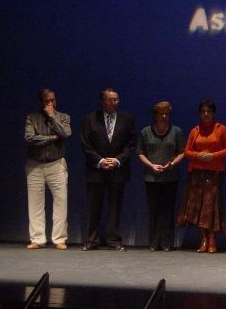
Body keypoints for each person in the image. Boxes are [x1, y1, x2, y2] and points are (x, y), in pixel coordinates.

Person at [81, 88, 137, 251]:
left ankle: (113, 240)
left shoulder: (127, 119)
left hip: (118, 170)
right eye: (110, 99)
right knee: (94, 207)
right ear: (102, 101)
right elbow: (85, 144)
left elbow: (131, 144)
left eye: (116, 99)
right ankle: (91, 240)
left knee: (115, 207)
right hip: (96, 170)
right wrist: (100, 161)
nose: (114, 102)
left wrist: (118, 160)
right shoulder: (90, 119)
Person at [177, 99, 226, 253]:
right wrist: (198, 155)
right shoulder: (195, 130)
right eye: (203, 112)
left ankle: (212, 238)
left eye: (209, 111)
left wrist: (213, 156)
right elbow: (186, 151)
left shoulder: (221, 129)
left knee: (211, 206)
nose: (206, 114)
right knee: (199, 207)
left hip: (215, 172)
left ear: (214, 113)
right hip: (197, 173)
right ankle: (204, 238)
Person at [24, 88, 71, 250]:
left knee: (60, 201)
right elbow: (30, 138)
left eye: (52, 100)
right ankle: (37, 239)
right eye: (47, 101)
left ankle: (59, 239)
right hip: (35, 164)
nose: (50, 103)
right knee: (35, 203)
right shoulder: (32, 117)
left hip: (56, 163)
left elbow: (66, 133)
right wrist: (53, 138)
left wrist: (52, 116)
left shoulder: (63, 117)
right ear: (41, 102)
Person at [136, 101, 185, 251]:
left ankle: (167, 242)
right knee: (154, 209)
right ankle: (153, 242)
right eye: (161, 114)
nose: (164, 116)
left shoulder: (176, 131)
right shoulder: (145, 132)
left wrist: (172, 164)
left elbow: (182, 152)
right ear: (155, 115)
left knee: (168, 210)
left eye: (167, 114)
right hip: (151, 177)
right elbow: (140, 153)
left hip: (170, 177)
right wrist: (151, 165)